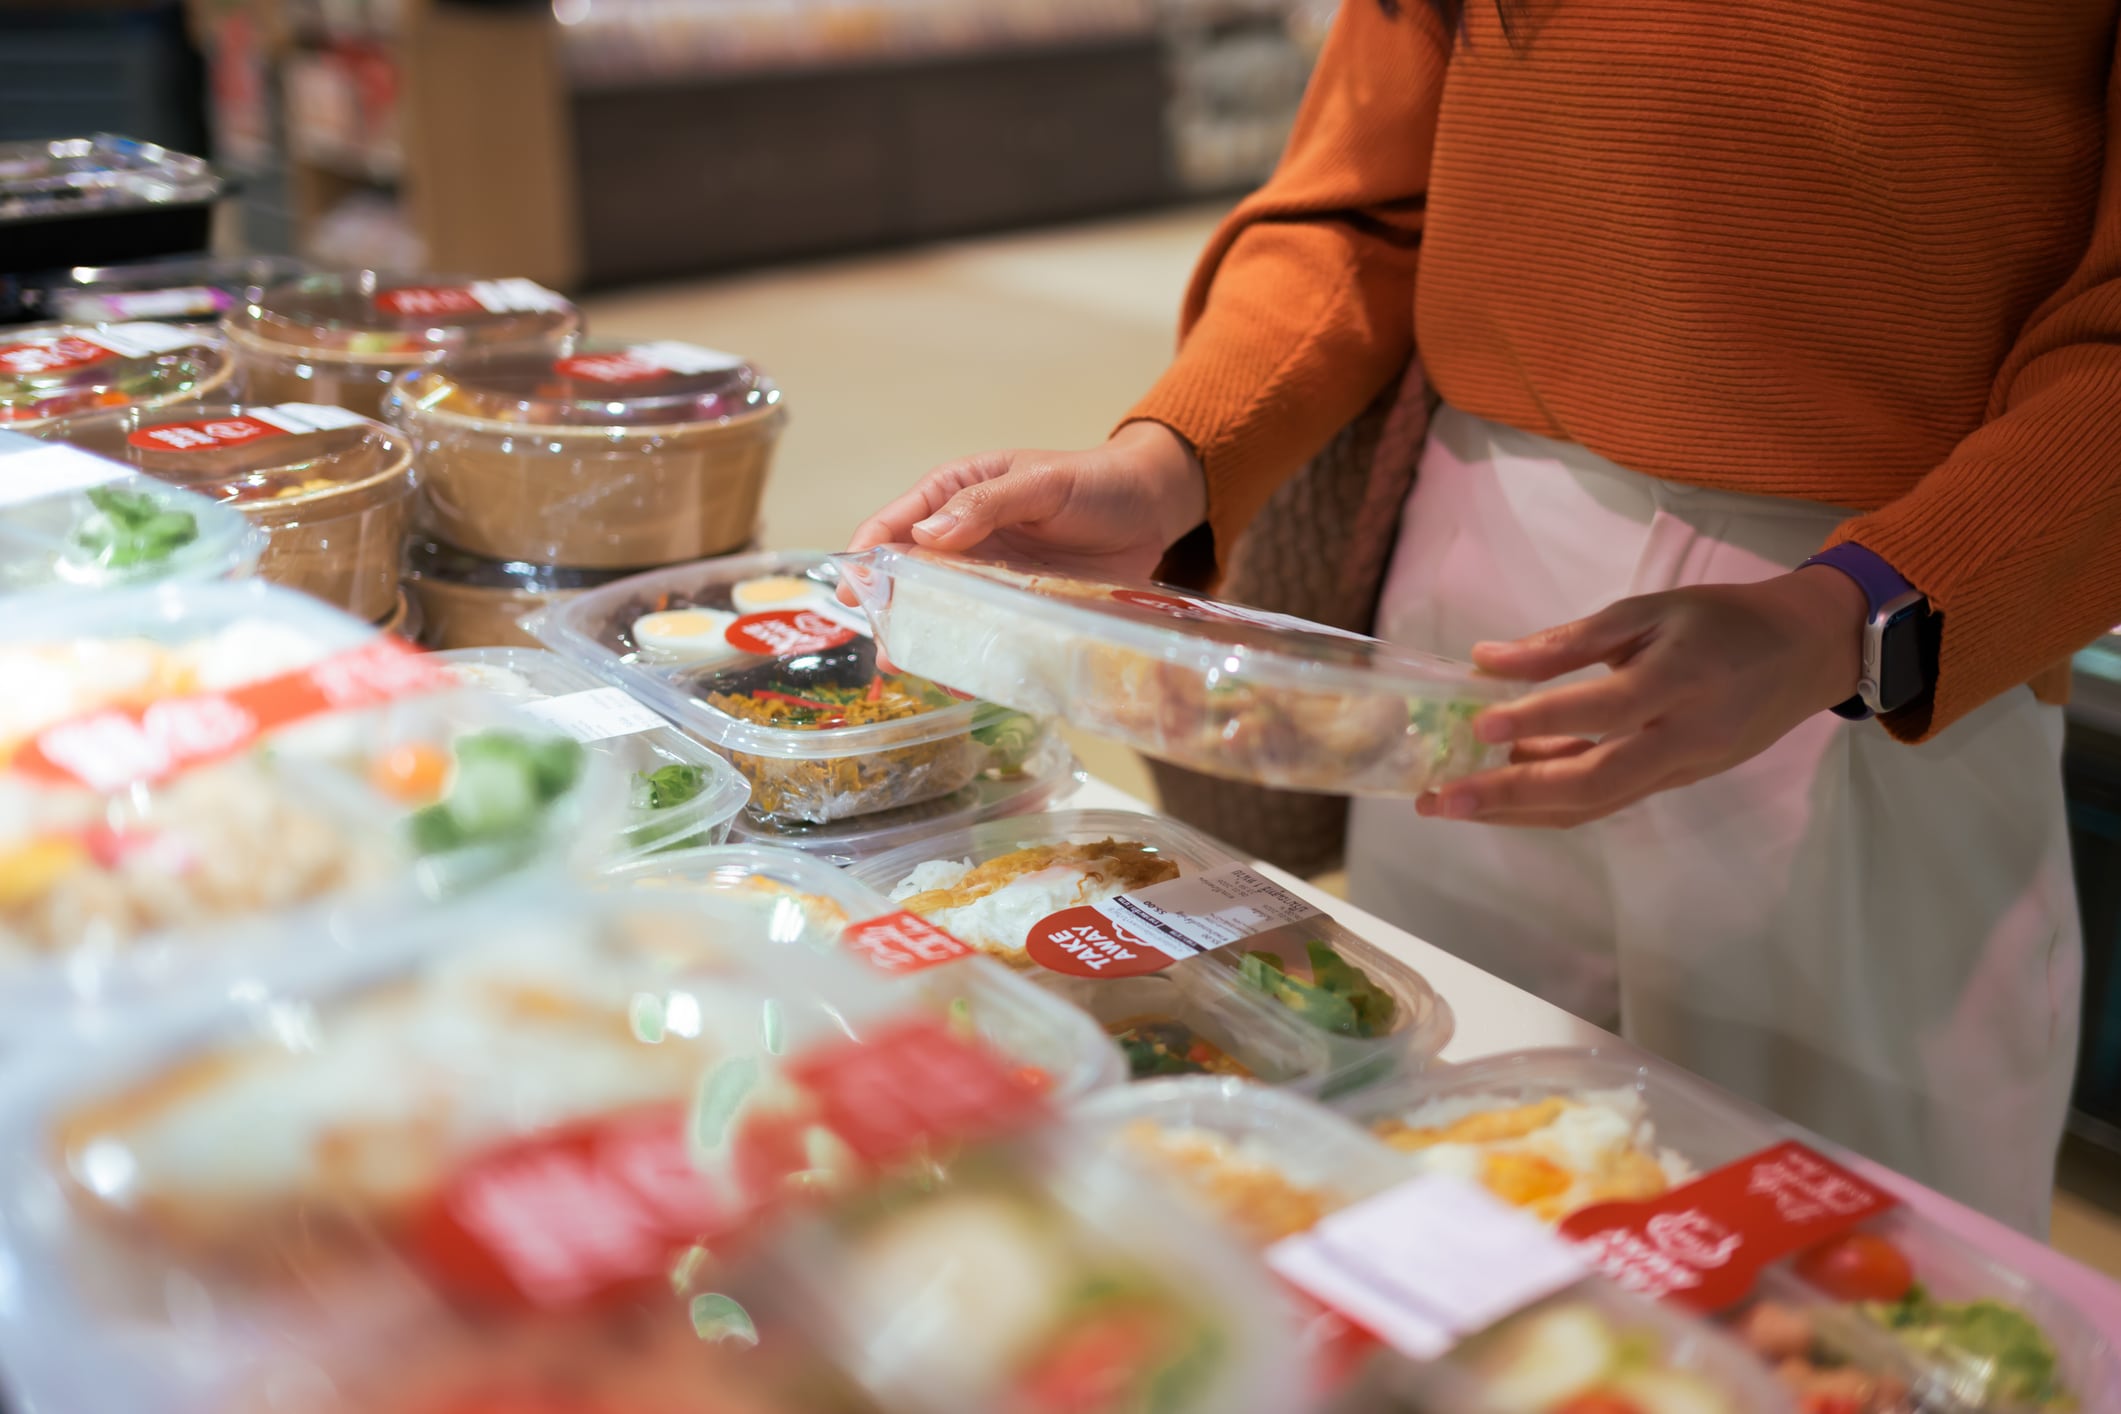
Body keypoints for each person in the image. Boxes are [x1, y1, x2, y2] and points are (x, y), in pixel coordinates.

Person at [848, 0, 2121, 1234]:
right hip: (1464, 587)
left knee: (1843, 1253)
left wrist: (1858, 613)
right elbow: (1370, 198)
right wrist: (1175, 453)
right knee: (1435, 1164)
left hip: (1881, 636)